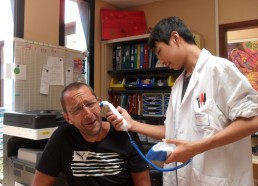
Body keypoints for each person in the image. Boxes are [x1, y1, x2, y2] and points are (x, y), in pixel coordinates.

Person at [106, 16, 258, 186]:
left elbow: (253, 121)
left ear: (175, 38)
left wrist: (196, 147)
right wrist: (132, 124)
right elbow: (174, 131)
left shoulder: (218, 69)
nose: (161, 61)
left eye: (159, 52)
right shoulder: (178, 84)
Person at [32, 82, 151, 186]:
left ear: (99, 103)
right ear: (68, 118)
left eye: (90, 104)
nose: (88, 114)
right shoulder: (61, 137)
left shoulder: (124, 134)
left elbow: (143, 183)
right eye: (77, 109)